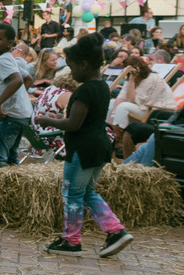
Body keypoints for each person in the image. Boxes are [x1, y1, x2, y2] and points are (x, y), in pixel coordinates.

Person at [35, 33, 133, 258]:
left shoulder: (85, 89)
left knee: (71, 194)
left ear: (84, 64)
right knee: (87, 192)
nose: (70, 72)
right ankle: (115, 231)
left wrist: (47, 120)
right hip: (99, 146)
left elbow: (73, 124)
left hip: (83, 149)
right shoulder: (101, 86)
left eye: (71, 67)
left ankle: (71, 240)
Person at [0, 23, 34, 167]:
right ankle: (14, 186)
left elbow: (17, 80)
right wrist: (19, 97)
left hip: (9, 116)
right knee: (11, 156)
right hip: (19, 114)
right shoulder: (8, 58)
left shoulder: (3, 60)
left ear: (9, 43)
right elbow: (27, 78)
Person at [107, 54, 175, 153]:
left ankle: (119, 139)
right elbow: (121, 97)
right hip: (142, 107)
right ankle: (109, 133)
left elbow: (130, 99)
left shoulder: (151, 78)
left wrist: (131, 80)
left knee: (123, 106)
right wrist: (112, 118)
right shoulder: (132, 77)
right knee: (111, 102)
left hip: (155, 110)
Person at [29, 66, 78, 159]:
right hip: (53, 140)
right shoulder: (67, 95)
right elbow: (72, 121)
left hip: (39, 137)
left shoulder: (50, 89)